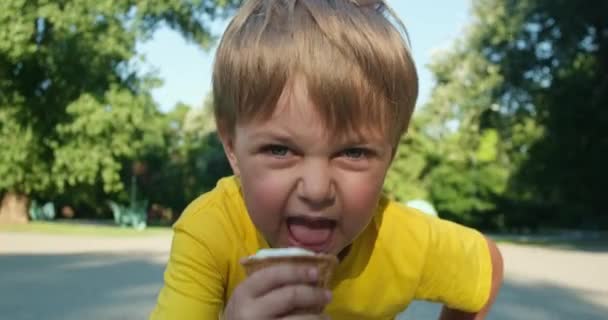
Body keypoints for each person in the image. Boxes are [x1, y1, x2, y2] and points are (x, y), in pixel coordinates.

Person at [150, 0, 503, 319]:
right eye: (280, 150)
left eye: (353, 152)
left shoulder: (401, 239)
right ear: (232, 148)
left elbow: (486, 267)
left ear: (390, 156)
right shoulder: (211, 232)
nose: (317, 190)